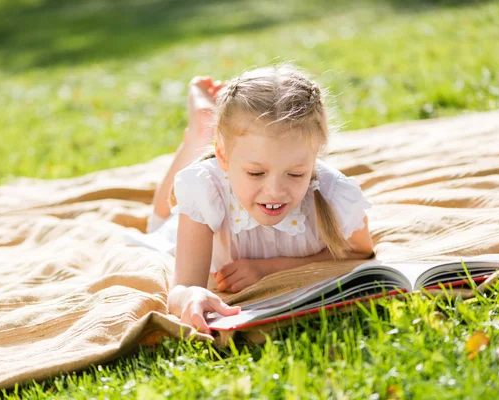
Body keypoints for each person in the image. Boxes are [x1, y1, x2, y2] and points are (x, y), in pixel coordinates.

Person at [125, 63, 374, 334]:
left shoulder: (333, 193)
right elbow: (182, 287)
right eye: (256, 173)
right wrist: (189, 297)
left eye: (295, 173)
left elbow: (361, 250)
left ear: (315, 157)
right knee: (160, 222)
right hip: (182, 228)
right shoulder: (206, 189)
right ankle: (199, 135)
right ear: (223, 157)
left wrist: (269, 269)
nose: (275, 190)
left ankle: (208, 134)